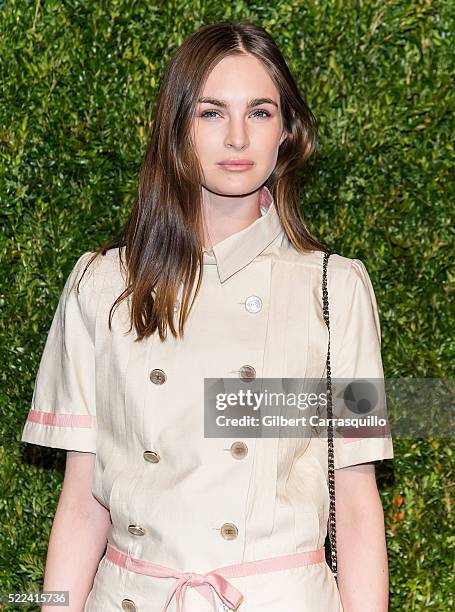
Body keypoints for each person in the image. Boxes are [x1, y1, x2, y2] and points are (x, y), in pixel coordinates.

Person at [21, 21, 393, 612]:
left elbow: (355, 498)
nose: (239, 138)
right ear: (177, 128)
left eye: (262, 113)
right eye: (212, 113)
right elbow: (81, 503)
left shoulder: (336, 291)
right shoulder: (101, 287)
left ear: (287, 133)